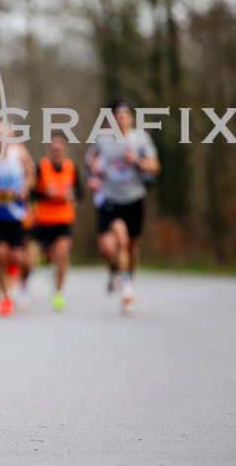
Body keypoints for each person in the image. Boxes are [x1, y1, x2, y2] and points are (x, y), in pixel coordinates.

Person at [84, 100, 160, 313]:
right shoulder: (102, 140)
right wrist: (93, 176)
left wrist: (136, 161)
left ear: (131, 118)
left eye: (125, 115)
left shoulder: (141, 138)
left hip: (134, 198)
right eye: (117, 115)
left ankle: (126, 279)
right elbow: (90, 162)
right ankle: (126, 290)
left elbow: (155, 166)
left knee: (133, 247)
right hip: (110, 198)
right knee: (119, 240)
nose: (121, 119)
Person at [0, 121, 35, 316]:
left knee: (17, 257)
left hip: (16, 213)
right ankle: (6, 296)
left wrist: (25, 188)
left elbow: (30, 174)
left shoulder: (19, 153)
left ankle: (15, 287)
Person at [31, 133, 82, 312]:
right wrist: (46, 193)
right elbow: (31, 193)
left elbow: (80, 193)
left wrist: (72, 195)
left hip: (63, 220)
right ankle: (48, 266)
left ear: (65, 149)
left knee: (62, 253)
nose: (57, 149)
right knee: (49, 256)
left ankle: (58, 293)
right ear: (49, 149)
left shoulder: (71, 168)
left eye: (60, 146)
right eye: (53, 146)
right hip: (44, 220)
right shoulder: (41, 167)